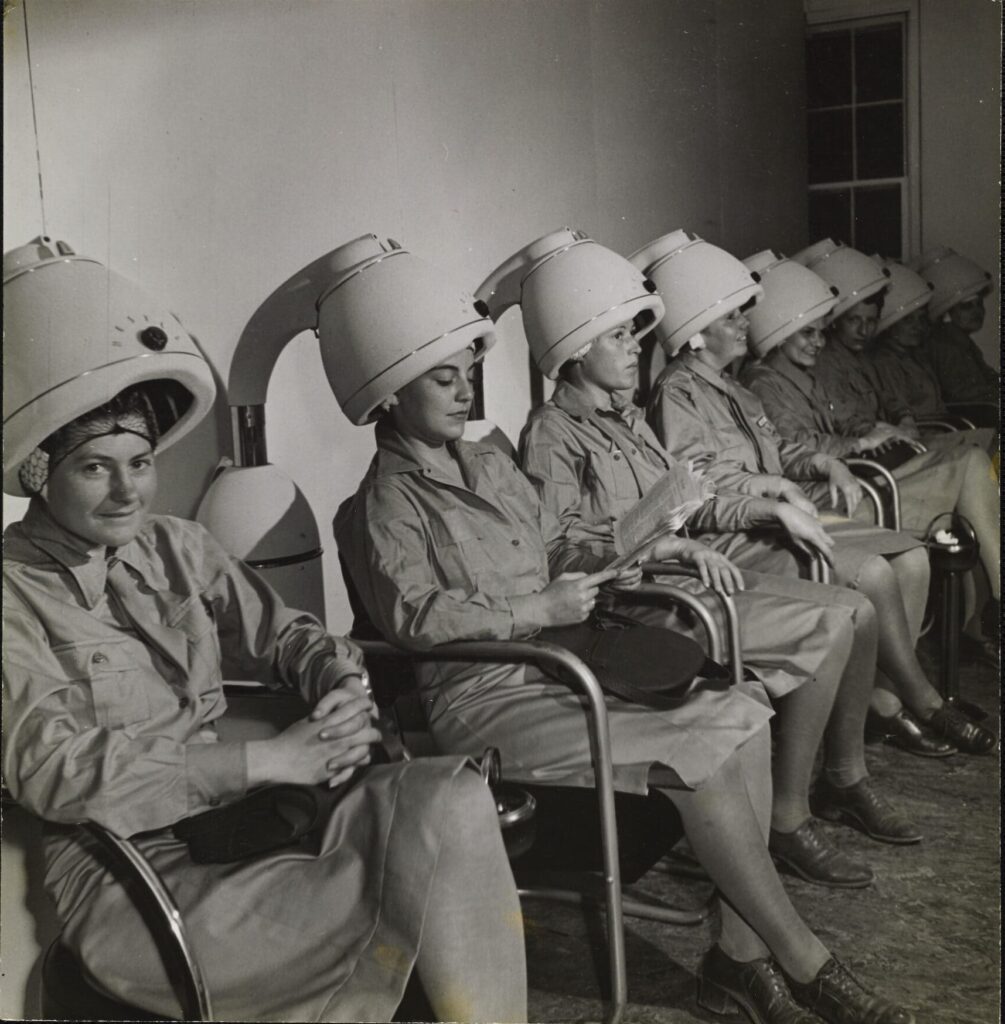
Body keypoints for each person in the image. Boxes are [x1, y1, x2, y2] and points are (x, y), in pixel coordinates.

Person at [334, 237, 916, 1024]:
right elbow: (413, 619)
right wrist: (534, 611)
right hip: (484, 694)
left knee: (742, 711)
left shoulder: (491, 464)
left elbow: (560, 541)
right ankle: (804, 960)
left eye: (469, 370)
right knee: (700, 755)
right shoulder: (380, 505)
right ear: (389, 394)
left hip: (558, 659)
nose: (466, 387)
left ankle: (736, 960)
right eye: (445, 377)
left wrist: (637, 540)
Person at [2, 241, 526, 1023]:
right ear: (41, 474)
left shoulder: (172, 546)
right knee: (416, 891)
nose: (126, 491)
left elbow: (290, 634)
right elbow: (60, 773)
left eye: (139, 463)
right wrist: (269, 759)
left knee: (450, 798)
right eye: (95, 468)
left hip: (238, 825)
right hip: (136, 881)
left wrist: (340, 686)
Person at [503, 233, 921, 868]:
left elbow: (692, 496)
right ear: (575, 350)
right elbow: (561, 553)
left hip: (686, 577)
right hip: (640, 603)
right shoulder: (551, 437)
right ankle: (790, 814)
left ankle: (833, 784)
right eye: (618, 336)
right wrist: (661, 541)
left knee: (851, 613)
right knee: (841, 621)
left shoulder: (628, 419)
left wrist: (760, 505)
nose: (636, 346)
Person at [743, 241, 1001, 658]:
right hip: (839, 494)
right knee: (970, 466)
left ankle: (985, 609)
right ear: (780, 330)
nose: (817, 343)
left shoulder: (802, 375)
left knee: (972, 463)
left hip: (860, 479)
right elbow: (795, 447)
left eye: (820, 332)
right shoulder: (765, 383)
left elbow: (845, 415)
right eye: (807, 333)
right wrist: (858, 442)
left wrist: (875, 429)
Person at [915, 246, 1000, 408]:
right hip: (974, 417)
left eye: (979, 304)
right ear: (948, 310)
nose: (977, 312)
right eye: (966, 307)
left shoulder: (962, 342)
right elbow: (961, 395)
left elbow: (989, 377)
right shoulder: (944, 345)